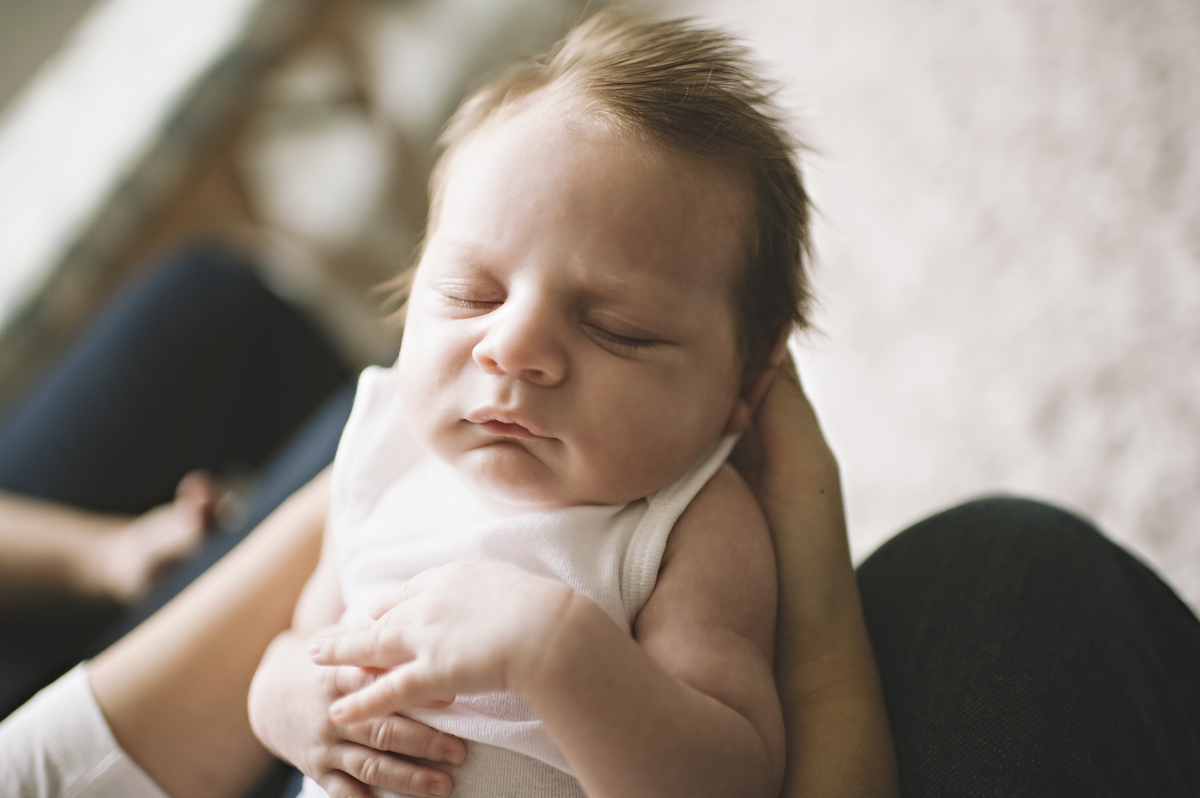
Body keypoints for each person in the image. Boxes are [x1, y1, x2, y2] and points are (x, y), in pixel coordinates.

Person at [255, 10, 821, 798]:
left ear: (746, 384)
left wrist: (556, 650)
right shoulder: (388, 455)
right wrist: (283, 700)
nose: (512, 348)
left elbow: (732, 779)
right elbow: (302, 638)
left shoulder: (685, 523)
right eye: (469, 293)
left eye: (616, 330)